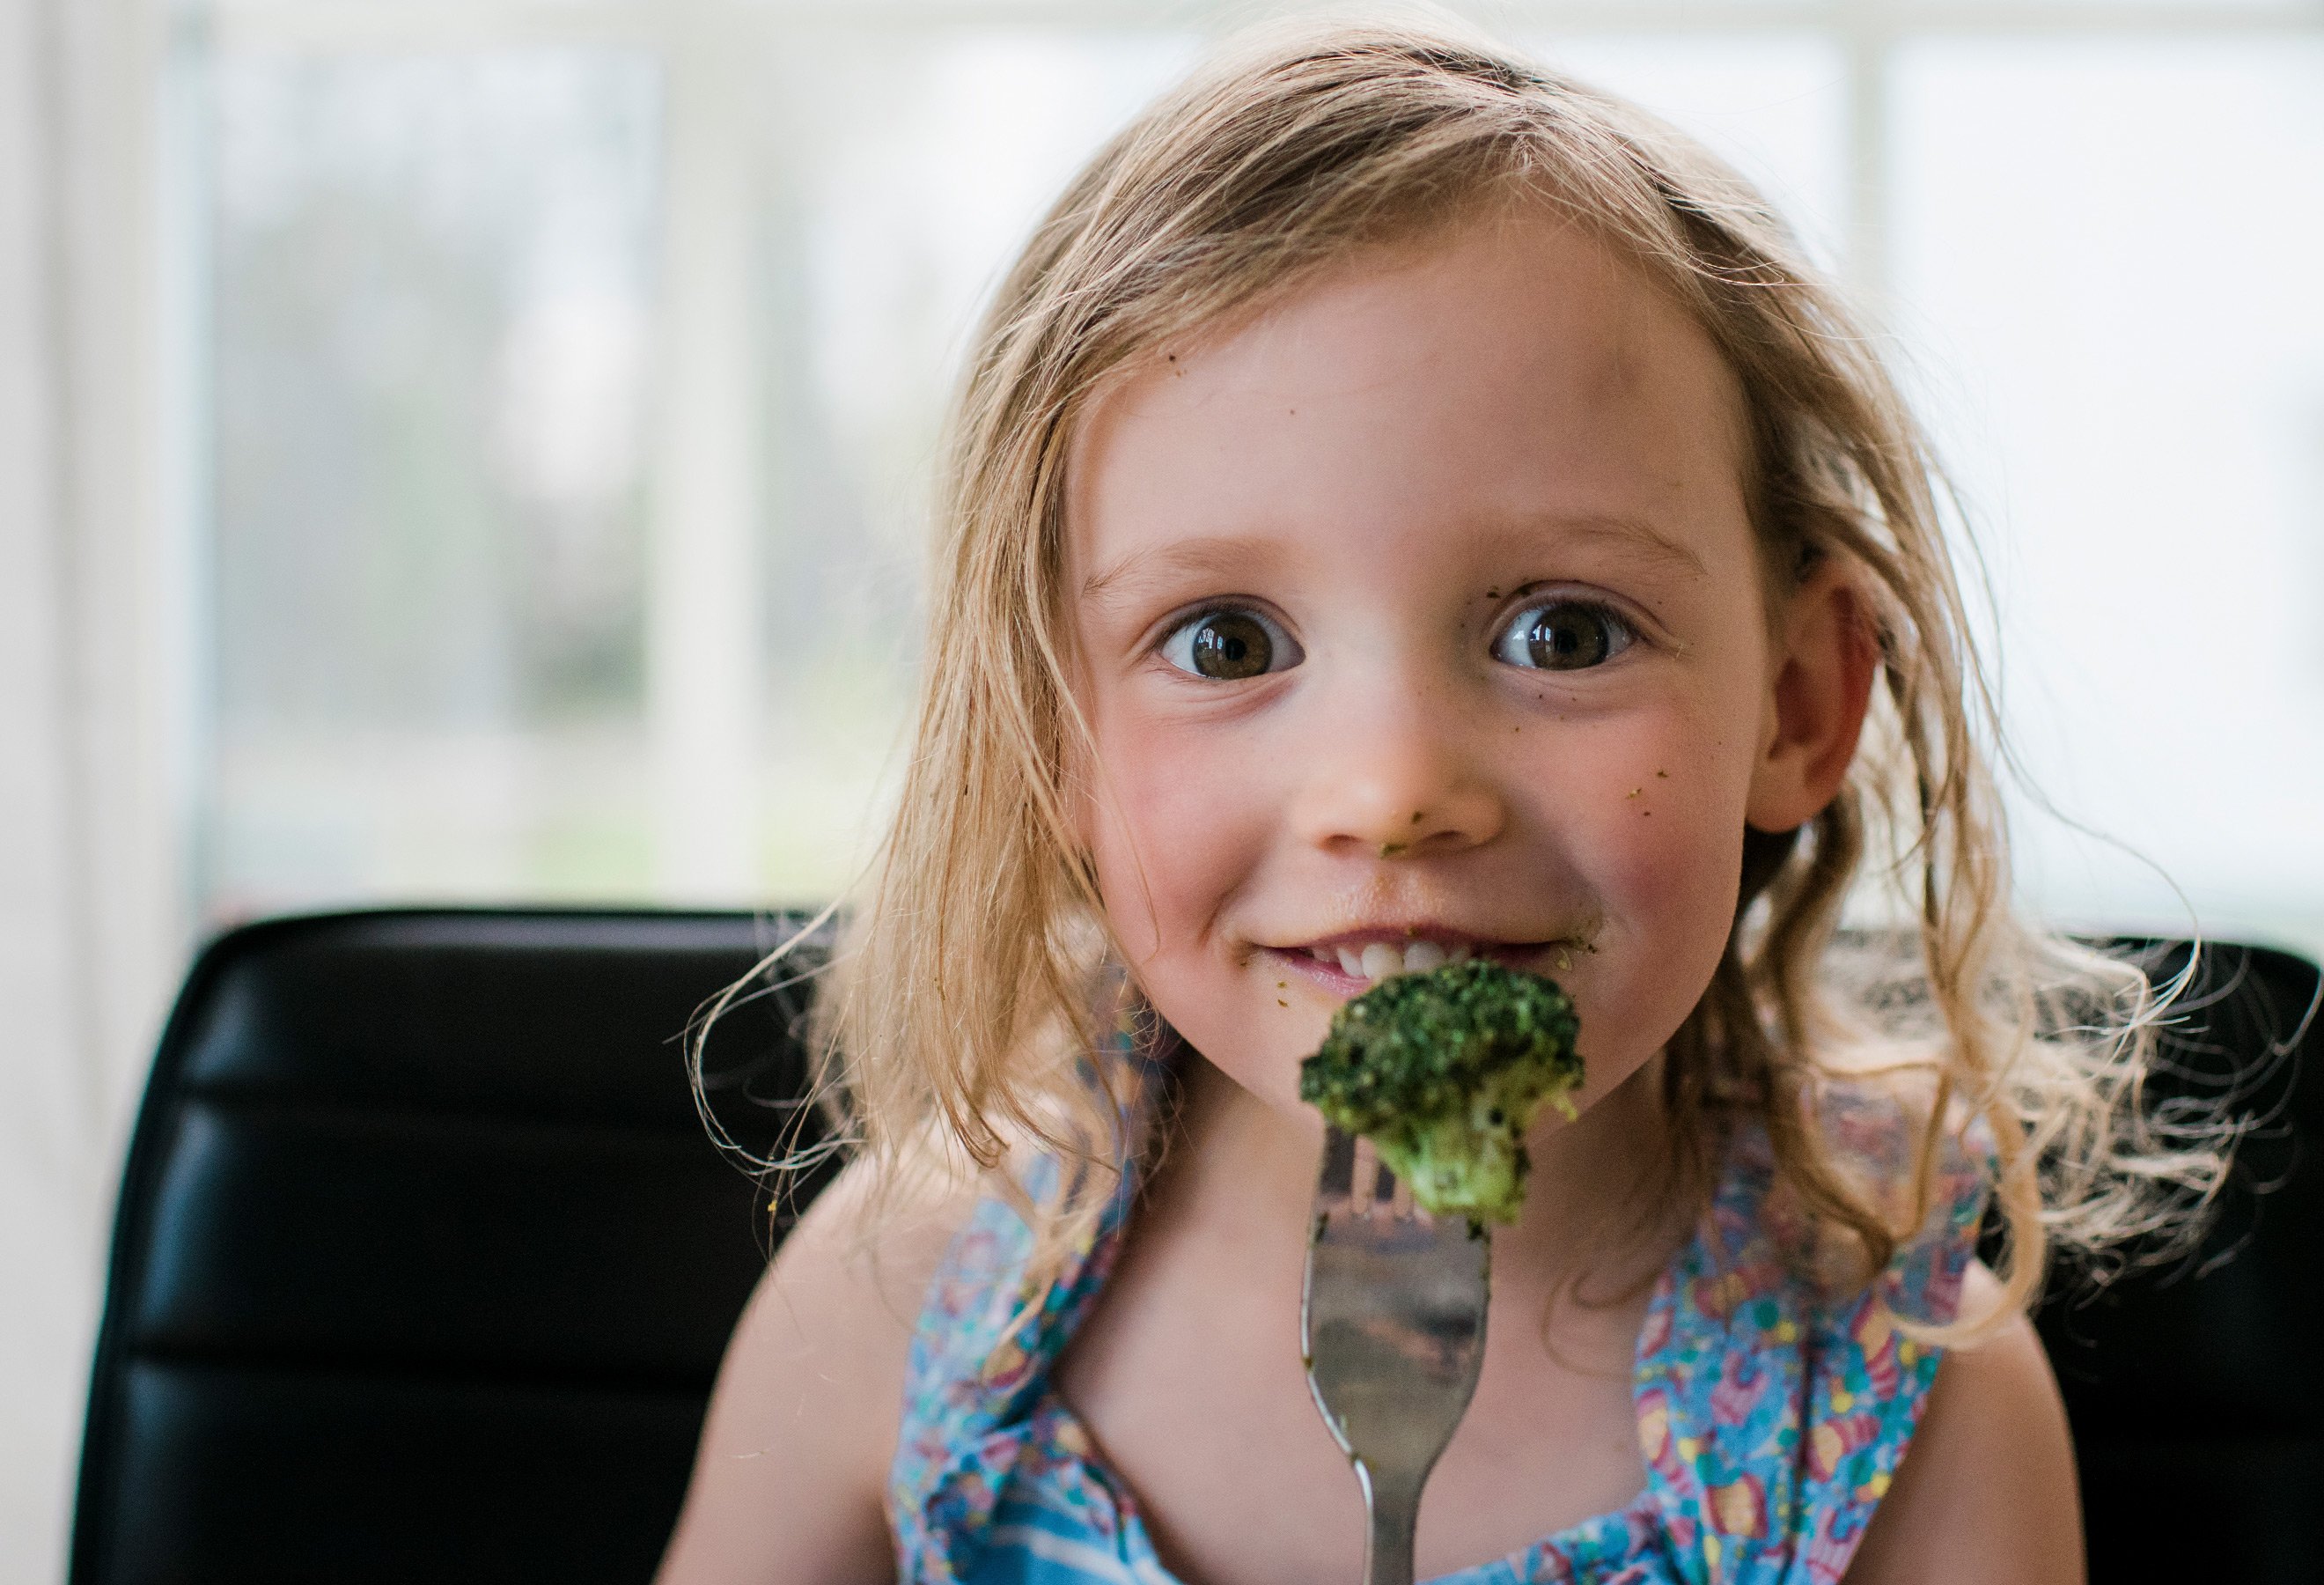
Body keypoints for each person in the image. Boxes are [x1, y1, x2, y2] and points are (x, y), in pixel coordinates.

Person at [656, 22, 2220, 1585]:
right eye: (1227, 644)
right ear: (1052, 729)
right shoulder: (912, 1294)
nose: (1394, 796)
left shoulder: (1908, 1389)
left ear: (1800, 704)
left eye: (1565, 633)